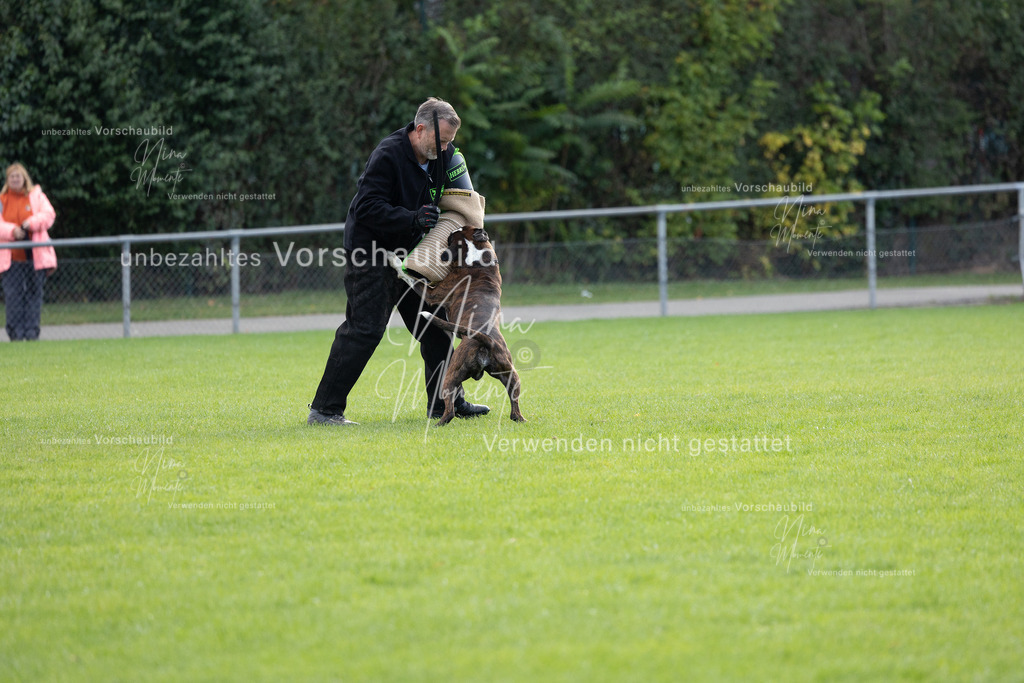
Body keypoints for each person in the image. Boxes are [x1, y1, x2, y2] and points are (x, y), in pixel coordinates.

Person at [307, 97, 488, 425]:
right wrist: (412, 218)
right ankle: (325, 411)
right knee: (365, 329)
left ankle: (446, 404)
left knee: (436, 328)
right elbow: (366, 207)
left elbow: (456, 198)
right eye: (442, 141)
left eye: (450, 142)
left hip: (413, 257)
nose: (446, 149)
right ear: (420, 129)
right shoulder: (388, 155)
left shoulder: (442, 156)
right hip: (371, 253)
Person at [0, 163, 57, 342]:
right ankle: (16, 335)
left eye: (18, 176)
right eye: (12, 177)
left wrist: (31, 223)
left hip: (35, 258)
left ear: (25, 178)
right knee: (13, 297)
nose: (15, 179)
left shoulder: (37, 196)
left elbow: (49, 215)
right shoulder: (2, 199)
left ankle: (32, 334)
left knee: (34, 295)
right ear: (7, 180)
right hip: (11, 259)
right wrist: (12, 231)